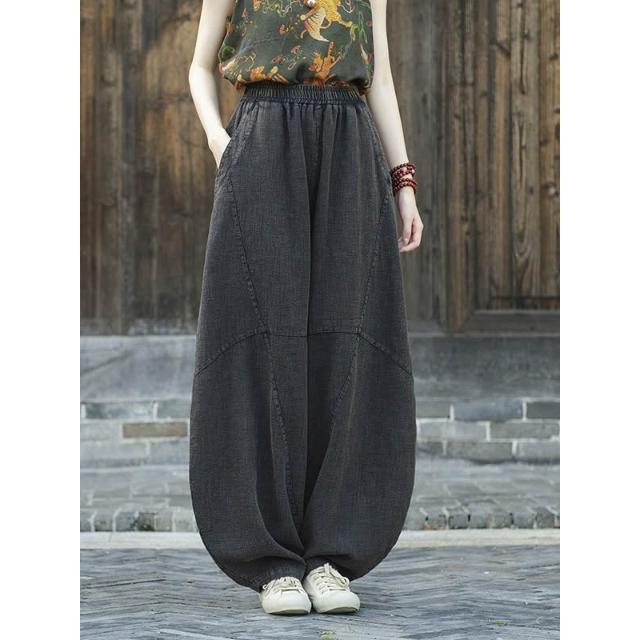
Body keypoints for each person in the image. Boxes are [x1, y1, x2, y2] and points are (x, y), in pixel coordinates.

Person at [188, 0, 423, 615]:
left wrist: (403, 182)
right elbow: (200, 66)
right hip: (262, 139)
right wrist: (220, 140)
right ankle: (271, 562)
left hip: (350, 149)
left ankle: (330, 558)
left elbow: (380, 79)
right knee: (261, 339)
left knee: (349, 343)